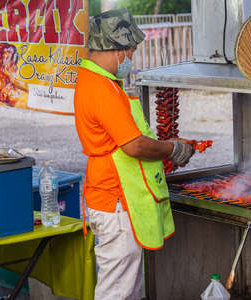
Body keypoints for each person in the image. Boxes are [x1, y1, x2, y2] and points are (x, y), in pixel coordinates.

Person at [73, 8, 195, 300]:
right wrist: (173, 148)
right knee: (117, 290)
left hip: (110, 197)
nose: (132, 58)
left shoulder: (94, 81)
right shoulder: (101, 88)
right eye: (132, 51)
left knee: (126, 287)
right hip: (115, 201)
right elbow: (135, 146)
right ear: (117, 50)